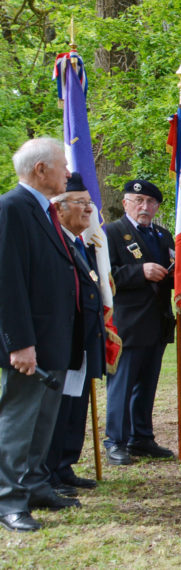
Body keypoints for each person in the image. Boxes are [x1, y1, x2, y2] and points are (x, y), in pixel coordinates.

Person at [0, 138, 81, 532]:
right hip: (29, 341)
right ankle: (8, 500)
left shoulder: (45, 211)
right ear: (40, 170)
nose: (68, 172)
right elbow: (7, 282)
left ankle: (34, 485)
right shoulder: (12, 209)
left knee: (43, 422)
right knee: (18, 422)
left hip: (54, 338)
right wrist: (19, 342)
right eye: (63, 165)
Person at [103, 179, 176, 464]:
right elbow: (103, 277)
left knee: (147, 385)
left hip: (157, 321)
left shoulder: (162, 235)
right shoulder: (111, 233)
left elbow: (170, 272)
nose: (144, 207)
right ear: (125, 204)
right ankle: (116, 441)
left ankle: (141, 438)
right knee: (122, 386)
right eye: (138, 201)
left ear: (157, 206)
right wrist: (139, 272)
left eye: (150, 202)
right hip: (127, 324)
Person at [43, 174, 105, 498]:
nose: (88, 210)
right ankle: (48, 472)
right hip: (60, 343)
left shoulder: (83, 244)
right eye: (80, 203)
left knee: (74, 406)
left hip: (81, 341)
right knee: (55, 410)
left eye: (89, 203)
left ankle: (64, 465)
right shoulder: (55, 241)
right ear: (59, 208)